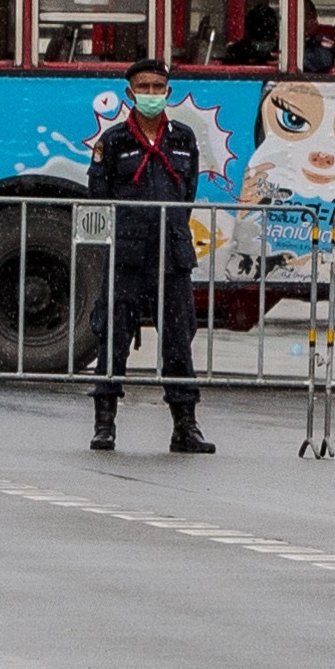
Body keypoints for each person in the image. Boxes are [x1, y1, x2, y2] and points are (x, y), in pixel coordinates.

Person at [86, 63, 214, 457]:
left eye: (158, 85)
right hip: (127, 254)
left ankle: (185, 427)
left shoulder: (184, 138)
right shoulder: (114, 141)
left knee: (178, 341)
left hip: (171, 255)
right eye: (144, 86)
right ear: (129, 93)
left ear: (168, 91)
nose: (151, 92)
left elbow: (187, 193)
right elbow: (100, 197)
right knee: (114, 339)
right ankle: (104, 425)